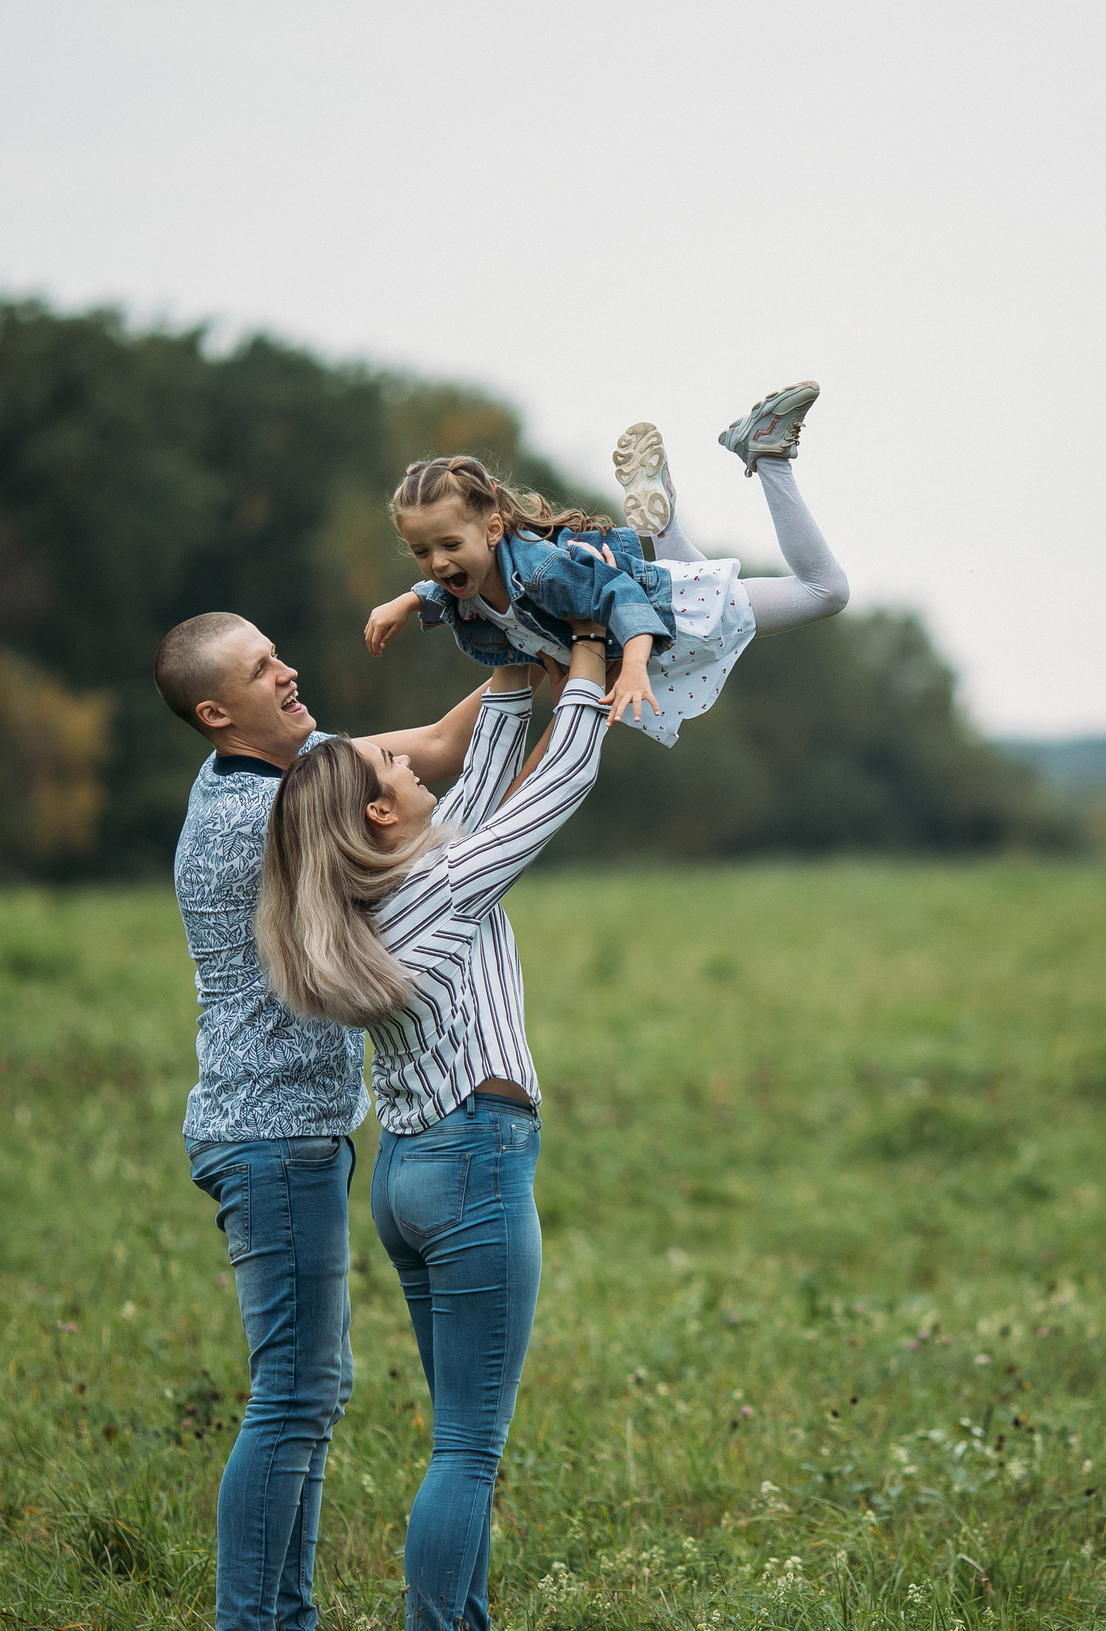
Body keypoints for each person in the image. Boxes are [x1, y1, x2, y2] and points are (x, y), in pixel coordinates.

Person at [254, 625, 617, 1631]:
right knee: (465, 1449)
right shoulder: (445, 888)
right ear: (379, 808)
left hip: (411, 1177)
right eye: (390, 762)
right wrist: (587, 653)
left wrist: (511, 653)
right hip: (472, 1169)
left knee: (460, 1440)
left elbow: (493, 766)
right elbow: (560, 779)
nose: (408, 756)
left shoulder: (382, 894)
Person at [153, 611, 490, 1631]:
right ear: (218, 712)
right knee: (294, 1398)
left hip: (287, 1135)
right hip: (273, 1139)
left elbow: (431, 746)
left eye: (278, 654)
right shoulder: (252, 817)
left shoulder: (291, 774)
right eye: (263, 671)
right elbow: (418, 818)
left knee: (306, 1393)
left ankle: (276, 1617)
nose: (288, 671)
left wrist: (535, 647)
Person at [360, 382, 849, 747]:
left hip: (670, 620)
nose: (438, 563)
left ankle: (767, 457)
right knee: (691, 577)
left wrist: (634, 667)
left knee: (826, 592)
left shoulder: (540, 573)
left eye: (448, 545)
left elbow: (623, 597)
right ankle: (663, 514)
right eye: (422, 552)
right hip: (668, 612)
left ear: (491, 531)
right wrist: (406, 602)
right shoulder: (478, 587)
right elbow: (448, 590)